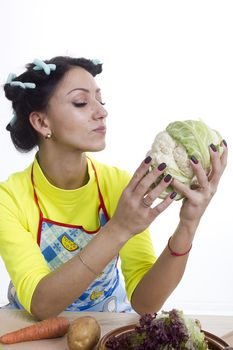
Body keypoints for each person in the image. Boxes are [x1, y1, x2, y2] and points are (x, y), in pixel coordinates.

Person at [0, 57, 227, 321]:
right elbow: (41, 305)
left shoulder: (118, 184)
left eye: (100, 100)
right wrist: (118, 228)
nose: (101, 112)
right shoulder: (9, 199)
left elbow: (145, 303)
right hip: (30, 334)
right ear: (41, 123)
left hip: (106, 328)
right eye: (81, 102)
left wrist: (189, 224)